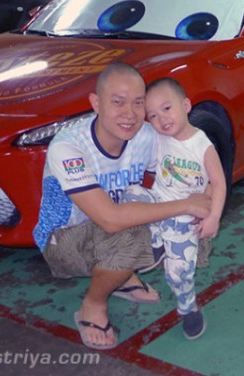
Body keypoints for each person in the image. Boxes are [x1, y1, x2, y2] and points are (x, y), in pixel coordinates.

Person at [32, 62, 211, 351]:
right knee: (136, 235)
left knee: (189, 225)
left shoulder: (145, 136)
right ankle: (93, 304)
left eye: (138, 103)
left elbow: (194, 164)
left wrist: (208, 197)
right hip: (62, 240)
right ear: (96, 103)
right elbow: (110, 219)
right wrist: (185, 204)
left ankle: (121, 277)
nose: (129, 113)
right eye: (118, 102)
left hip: (112, 230)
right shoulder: (69, 147)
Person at [144, 77, 227, 340]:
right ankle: (156, 243)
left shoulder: (202, 145)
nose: (161, 119)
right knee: (131, 194)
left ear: (186, 105)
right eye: (153, 116)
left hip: (185, 219)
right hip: (158, 206)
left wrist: (214, 217)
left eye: (167, 108)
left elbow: (219, 183)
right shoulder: (157, 138)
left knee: (178, 273)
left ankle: (188, 308)